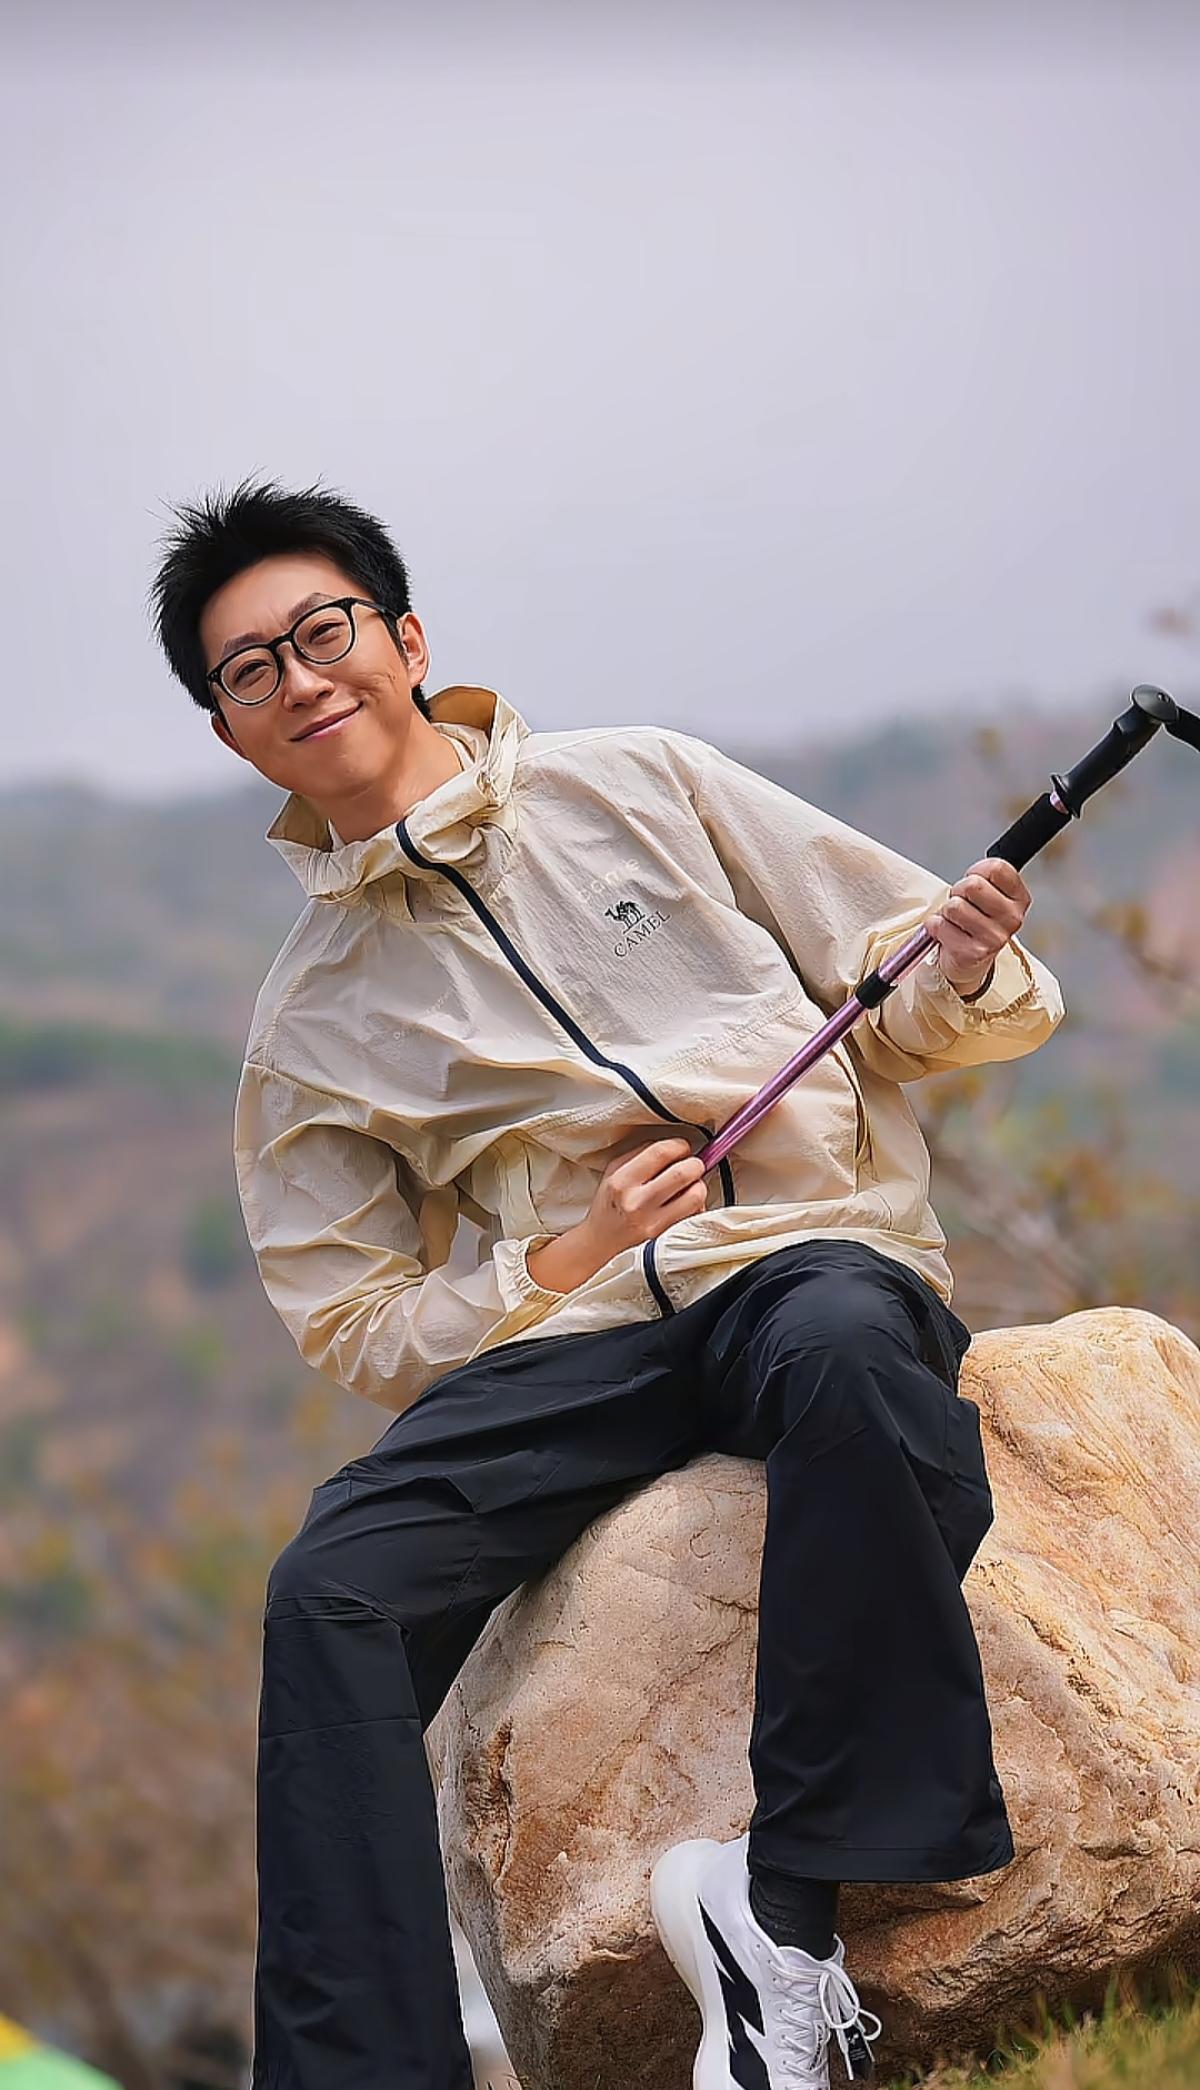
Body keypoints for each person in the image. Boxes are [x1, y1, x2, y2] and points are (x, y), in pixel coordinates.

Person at [151, 476, 1065, 2090]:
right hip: (571, 1345)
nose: (300, 678)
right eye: (250, 669)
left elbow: (904, 996)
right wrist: (558, 1255)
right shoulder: (307, 1023)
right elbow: (355, 1320)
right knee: (332, 1586)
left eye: (323, 631)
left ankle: (783, 1917)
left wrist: (967, 958)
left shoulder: (645, 781)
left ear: (406, 639)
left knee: (857, 1358)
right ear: (232, 732)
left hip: (798, 1263)